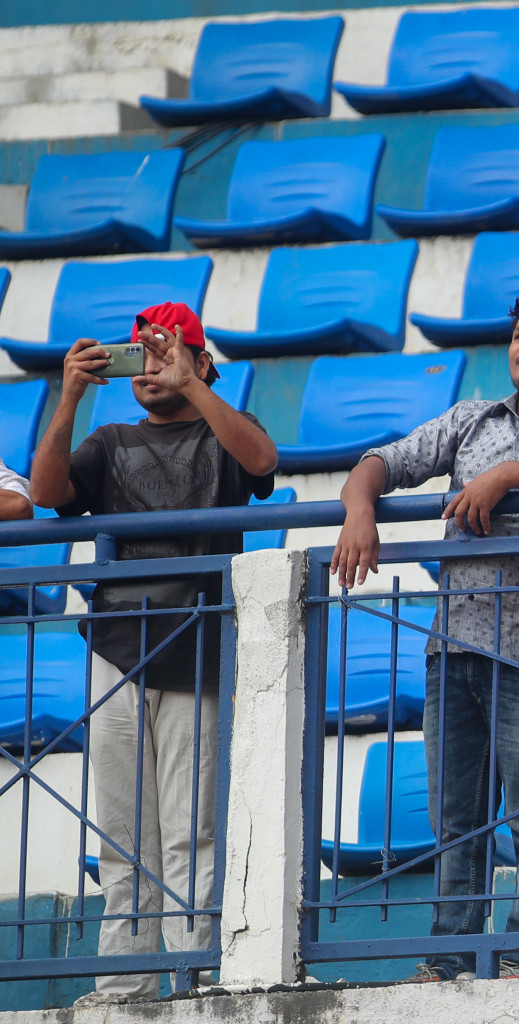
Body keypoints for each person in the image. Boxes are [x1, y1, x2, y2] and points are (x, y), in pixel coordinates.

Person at [331, 292, 519, 983]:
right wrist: (358, 512)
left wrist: (505, 478)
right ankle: (448, 958)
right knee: (456, 822)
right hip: (453, 648)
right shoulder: (471, 418)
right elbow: (382, 463)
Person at [29, 303, 277, 1005]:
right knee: (122, 828)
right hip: (116, 644)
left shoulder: (228, 429)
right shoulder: (109, 439)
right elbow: (48, 495)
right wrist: (70, 394)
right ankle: (124, 980)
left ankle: (189, 974)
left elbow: (262, 462)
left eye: (168, 352)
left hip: (195, 646)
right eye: (141, 354)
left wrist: (194, 384)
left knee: (189, 829)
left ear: (203, 363)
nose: (151, 365)